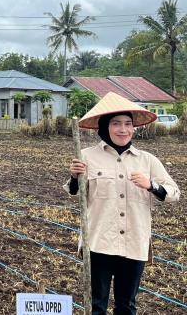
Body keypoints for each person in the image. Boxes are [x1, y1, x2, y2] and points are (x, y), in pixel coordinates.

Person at [66, 91, 180, 315]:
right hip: (99, 242)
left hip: (134, 241)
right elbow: (74, 192)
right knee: (96, 305)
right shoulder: (86, 156)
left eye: (128, 124)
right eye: (116, 123)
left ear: (134, 128)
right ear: (104, 127)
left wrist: (151, 185)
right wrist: (73, 176)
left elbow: (174, 193)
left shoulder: (147, 160)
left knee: (126, 306)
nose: (123, 129)